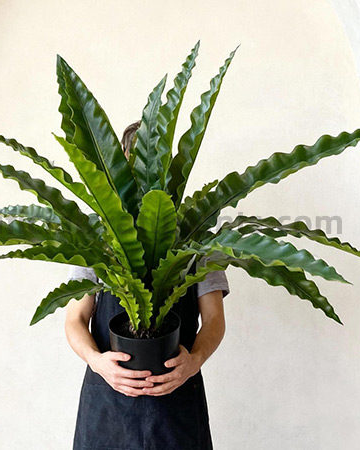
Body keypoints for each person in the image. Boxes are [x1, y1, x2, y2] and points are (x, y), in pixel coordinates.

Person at [64, 121, 230, 450]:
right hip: (109, 400)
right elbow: (75, 319)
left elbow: (214, 319)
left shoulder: (197, 235)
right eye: (138, 162)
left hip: (176, 396)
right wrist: (98, 363)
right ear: (122, 165)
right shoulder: (98, 236)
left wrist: (193, 362)